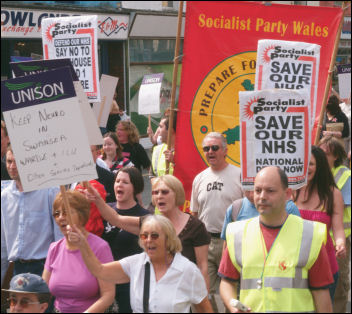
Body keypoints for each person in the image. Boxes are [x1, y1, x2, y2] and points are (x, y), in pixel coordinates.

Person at [219, 166, 334, 313]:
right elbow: (227, 281)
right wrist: (232, 305)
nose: (262, 196)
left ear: (287, 194)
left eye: (270, 191)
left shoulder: (309, 234)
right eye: (258, 190)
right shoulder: (238, 233)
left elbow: (321, 292)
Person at [84, 174, 211, 294]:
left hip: (186, 292)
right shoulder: (150, 222)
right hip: (156, 293)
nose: (159, 196)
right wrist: (97, 199)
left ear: (177, 194)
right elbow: (116, 219)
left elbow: (202, 266)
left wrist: (202, 298)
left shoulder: (195, 226)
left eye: (165, 192)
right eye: (155, 192)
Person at [67, 214, 213, 313]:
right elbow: (99, 270)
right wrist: (82, 243)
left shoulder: (188, 270)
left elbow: (204, 310)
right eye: (144, 235)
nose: (148, 240)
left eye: (154, 236)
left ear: (168, 239)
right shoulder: (136, 263)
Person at [190, 132, 243, 311]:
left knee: (234, 291)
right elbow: (194, 214)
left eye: (214, 148)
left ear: (225, 150)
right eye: (206, 148)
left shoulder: (239, 175)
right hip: (206, 243)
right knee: (210, 293)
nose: (210, 151)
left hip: (233, 242)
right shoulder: (199, 178)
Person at [42, 190, 115, 313]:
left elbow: (108, 295)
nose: (60, 218)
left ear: (82, 215)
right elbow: (43, 292)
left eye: (66, 213)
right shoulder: (54, 248)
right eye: (57, 213)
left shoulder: (100, 247)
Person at [293, 146, 346, 301]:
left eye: (311, 164)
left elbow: (338, 228)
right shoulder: (289, 191)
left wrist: (341, 244)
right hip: (294, 266)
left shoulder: (332, 194)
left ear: (320, 166)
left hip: (325, 265)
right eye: (302, 163)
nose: (306, 168)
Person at [1, 146, 63, 277]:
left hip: (45, 267)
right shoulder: (5, 197)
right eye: (9, 161)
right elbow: (3, 243)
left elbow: (60, 236)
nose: (12, 166)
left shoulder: (50, 192)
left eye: (18, 162)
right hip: (16, 268)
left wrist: (57, 270)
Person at [101, 167, 150, 313]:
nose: (119, 185)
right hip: (104, 281)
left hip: (130, 282)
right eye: (117, 181)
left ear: (135, 188)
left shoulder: (145, 216)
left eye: (125, 182)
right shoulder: (104, 210)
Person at [319, 136, 351, 312]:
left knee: (338, 284)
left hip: (339, 242)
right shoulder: (314, 172)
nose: (322, 156)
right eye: (320, 152)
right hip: (317, 239)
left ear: (336, 156)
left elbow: (341, 204)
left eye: (326, 153)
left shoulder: (345, 175)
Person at [220, 190, 301, 242]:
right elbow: (227, 245)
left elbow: (298, 241)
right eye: (248, 189)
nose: (252, 195)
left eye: (257, 190)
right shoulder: (235, 208)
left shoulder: (289, 208)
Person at [149, 114, 177, 182]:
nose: (158, 131)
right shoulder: (157, 150)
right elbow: (152, 176)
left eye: (161, 127)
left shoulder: (186, 151)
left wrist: (175, 162)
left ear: (171, 130)